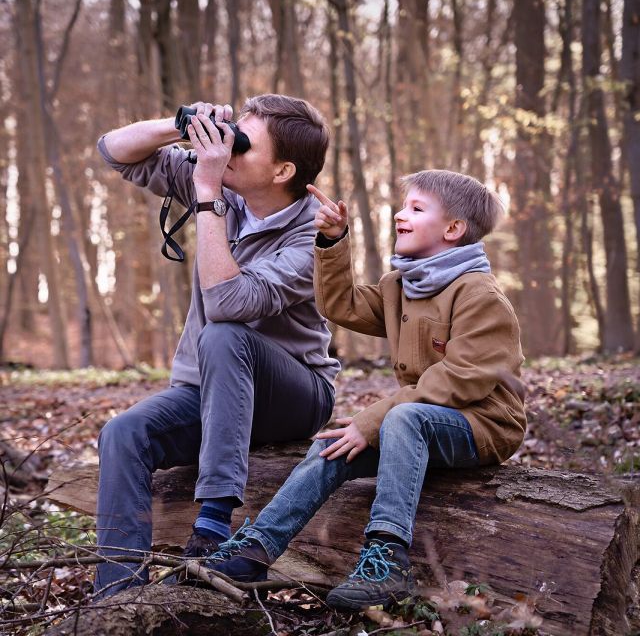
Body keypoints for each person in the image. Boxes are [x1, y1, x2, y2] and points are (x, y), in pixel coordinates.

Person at [202, 169, 527, 610]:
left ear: (453, 229)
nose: (399, 215)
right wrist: (334, 240)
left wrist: (370, 421)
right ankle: (253, 551)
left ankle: (387, 560)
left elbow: (462, 378)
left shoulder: (479, 294)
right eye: (403, 205)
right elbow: (341, 305)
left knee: (400, 418)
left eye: (416, 208)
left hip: (482, 423)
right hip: (414, 423)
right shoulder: (402, 286)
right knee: (332, 447)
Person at [94, 94, 340, 597]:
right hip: (210, 388)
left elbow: (229, 304)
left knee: (226, 334)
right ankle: (118, 598)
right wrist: (180, 124)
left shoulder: (311, 235)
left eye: (243, 144)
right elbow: (114, 151)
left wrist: (206, 193)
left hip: (293, 393)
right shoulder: (222, 178)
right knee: (123, 433)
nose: (226, 148)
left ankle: (211, 529)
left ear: (282, 171)